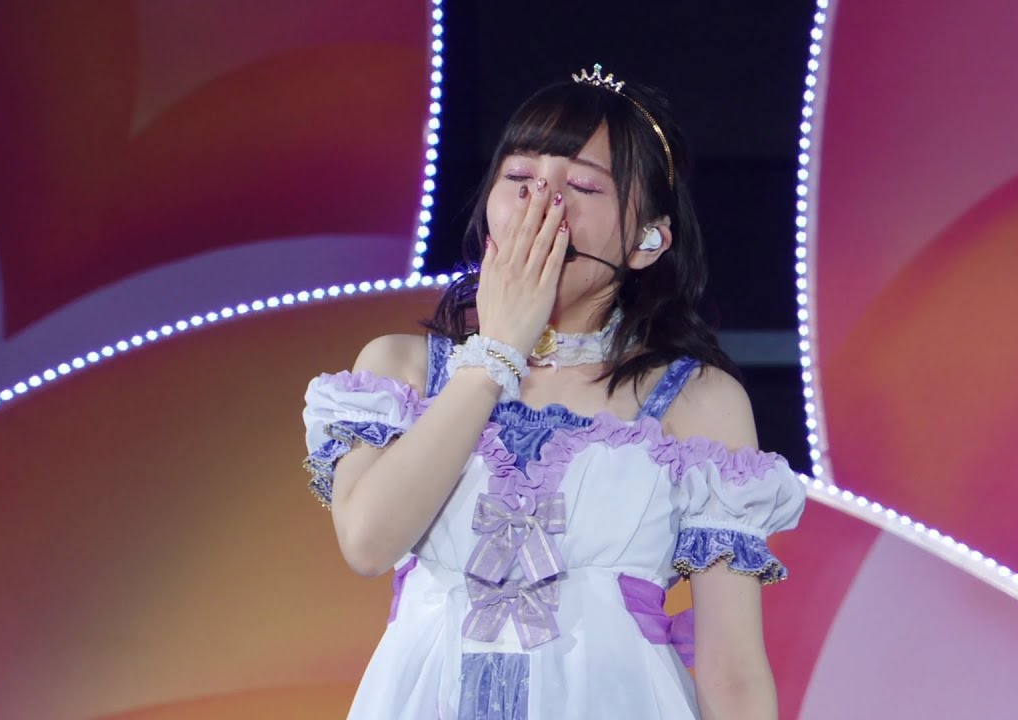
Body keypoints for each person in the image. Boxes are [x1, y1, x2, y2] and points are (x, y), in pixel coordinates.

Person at [302, 64, 806, 720]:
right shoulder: (401, 369)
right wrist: (495, 355)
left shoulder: (696, 401)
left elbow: (733, 673)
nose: (543, 202)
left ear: (647, 240)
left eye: (584, 185)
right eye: (520, 177)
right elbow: (368, 543)